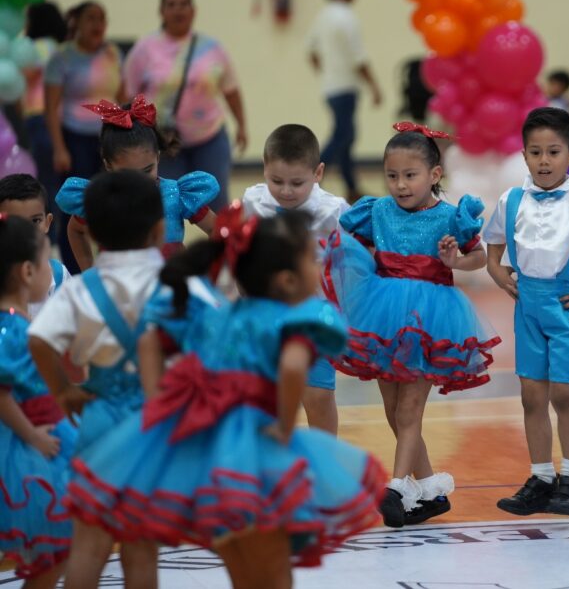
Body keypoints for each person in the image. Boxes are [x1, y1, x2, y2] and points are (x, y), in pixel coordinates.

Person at [63, 204, 386, 589]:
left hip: (204, 460)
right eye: (310, 258)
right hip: (253, 458)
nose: (318, 265)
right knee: (273, 573)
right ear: (286, 280)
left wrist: (156, 398)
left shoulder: (221, 315)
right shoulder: (295, 316)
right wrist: (284, 426)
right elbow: (294, 367)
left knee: (240, 563)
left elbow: (151, 341)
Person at [328, 121, 497, 529]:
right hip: (383, 314)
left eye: (410, 175)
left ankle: (396, 488)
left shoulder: (452, 217)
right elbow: (351, 244)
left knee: (409, 409)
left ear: (434, 176)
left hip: (429, 319)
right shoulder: (378, 210)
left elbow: (479, 257)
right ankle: (431, 491)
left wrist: (456, 259)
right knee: (392, 409)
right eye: (392, 176)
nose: (400, 185)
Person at [484, 107, 569, 518]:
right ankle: (541, 477)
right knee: (531, 396)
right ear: (524, 155)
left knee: (562, 392)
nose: (544, 161)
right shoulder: (511, 200)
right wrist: (496, 270)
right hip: (526, 304)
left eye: (553, 152)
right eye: (535, 152)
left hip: (566, 304)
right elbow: (493, 245)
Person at [29, 170, 166, 589]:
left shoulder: (79, 288)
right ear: (159, 228)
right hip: (153, 423)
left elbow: (39, 340)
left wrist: (64, 391)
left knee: (89, 544)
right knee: (141, 548)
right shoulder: (174, 284)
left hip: (99, 417)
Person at [242, 123, 350, 434]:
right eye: (276, 180)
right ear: (264, 168)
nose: (286, 191)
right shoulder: (253, 201)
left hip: (314, 316)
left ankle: (323, 456)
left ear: (318, 173)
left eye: (297, 182)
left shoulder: (335, 210)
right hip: (266, 315)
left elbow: (353, 261)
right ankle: (272, 463)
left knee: (316, 395)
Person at [54, 95, 219, 270]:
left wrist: (206, 273)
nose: (139, 182)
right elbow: (75, 230)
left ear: (157, 156)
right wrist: (88, 270)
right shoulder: (99, 200)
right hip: (117, 291)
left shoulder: (177, 194)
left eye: (147, 170)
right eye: (127, 174)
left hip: (168, 289)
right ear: (108, 165)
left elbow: (216, 228)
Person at [0, 215, 76, 588]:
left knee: (56, 553)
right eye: (48, 260)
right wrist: (33, 436)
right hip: (31, 448)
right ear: (28, 271)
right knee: (52, 554)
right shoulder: (12, 330)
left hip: (42, 433)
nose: (52, 269)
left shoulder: (15, 324)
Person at [123, 0, 247, 210]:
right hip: (164, 141)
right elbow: (127, 95)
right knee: (165, 204)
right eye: (171, 5)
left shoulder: (212, 48)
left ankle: (221, 245)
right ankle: (167, 246)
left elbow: (230, 90)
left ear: (193, 11)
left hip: (209, 137)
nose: (178, 10)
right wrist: (132, 134)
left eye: (184, 4)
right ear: (161, 12)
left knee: (217, 202)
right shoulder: (145, 49)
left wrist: (242, 125)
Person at [43, 0, 123, 272]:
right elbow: (50, 108)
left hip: (109, 138)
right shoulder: (62, 57)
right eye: (91, 18)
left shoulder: (112, 53)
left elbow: (121, 96)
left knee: (112, 201)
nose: (98, 24)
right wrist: (59, 147)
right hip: (75, 138)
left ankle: (110, 261)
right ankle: (75, 270)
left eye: (102, 18)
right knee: (75, 204)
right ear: (76, 23)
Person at [307, 0, 383, 200]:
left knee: (346, 137)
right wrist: (374, 86)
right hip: (345, 87)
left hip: (330, 87)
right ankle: (310, 177)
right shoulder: (346, 17)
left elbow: (311, 50)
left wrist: (327, 70)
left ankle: (351, 187)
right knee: (343, 135)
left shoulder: (322, 17)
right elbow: (358, 57)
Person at [21, 1, 68, 246]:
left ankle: (50, 238)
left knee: (47, 179)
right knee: (56, 179)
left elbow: (26, 75)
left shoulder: (37, 47)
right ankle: (60, 234)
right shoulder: (60, 47)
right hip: (58, 117)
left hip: (39, 115)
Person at [0, 174, 71, 318]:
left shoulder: (59, 275)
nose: (27, 231)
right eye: (16, 222)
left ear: (48, 222)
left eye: (35, 221)